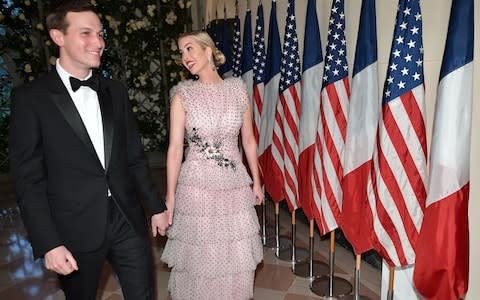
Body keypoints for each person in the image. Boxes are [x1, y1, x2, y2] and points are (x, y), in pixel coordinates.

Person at [8, 1, 170, 299]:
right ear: (58, 37)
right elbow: (28, 180)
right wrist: (49, 243)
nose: (98, 42)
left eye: (100, 33)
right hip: (73, 229)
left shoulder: (115, 91)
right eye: (86, 33)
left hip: (127, 219)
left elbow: (133, 157)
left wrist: (156, 206)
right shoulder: (30, 99)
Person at [160, 31, 264, 300]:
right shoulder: (182, 96)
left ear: (209, 51)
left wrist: (257, 182)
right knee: (201, 257)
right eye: (182, 52)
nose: (185, 57)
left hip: (234, 185)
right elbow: (174, 150)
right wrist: (170, 197)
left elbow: (249, 141)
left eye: (190, 49)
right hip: (196, 187)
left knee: (235, 255)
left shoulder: (238, 90)